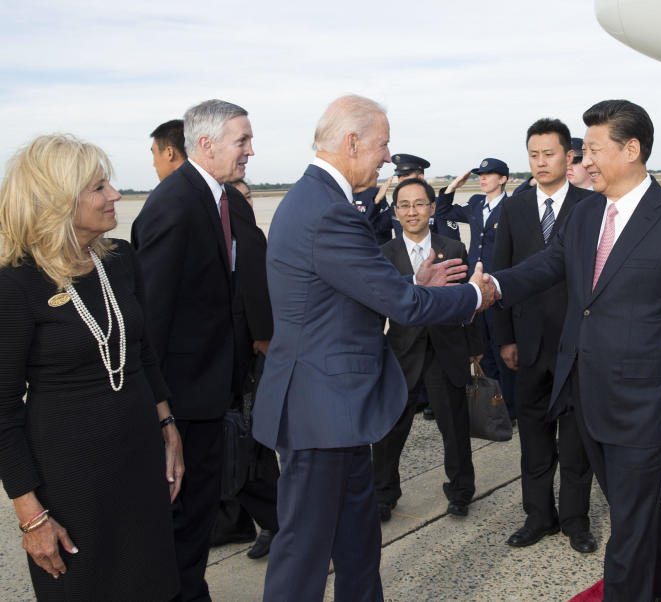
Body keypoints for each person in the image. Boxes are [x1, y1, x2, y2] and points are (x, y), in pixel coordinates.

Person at [251, 94, 498, 602]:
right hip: (320, 407)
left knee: (358, 542)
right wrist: (473, 294)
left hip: (338, 407)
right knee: (304, 553)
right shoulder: (327, 210)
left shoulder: (318, 201)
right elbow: (399, 303)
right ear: (352, 142)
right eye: (383, 144)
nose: (388, 157)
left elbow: (356, 292)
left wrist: (420, 284)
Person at [492, 100, 661, 601]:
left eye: (594, 149)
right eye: (583, 149)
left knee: (629, 524)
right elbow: (547, 266)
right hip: (586, 391)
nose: (585, 159)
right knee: (629, 503)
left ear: (632, 149)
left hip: (647, 400)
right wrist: (491, 287)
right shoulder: (585, 213)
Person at [0, 134, 183, 600]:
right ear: (59, 201)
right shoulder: (16, 281)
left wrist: (167, 424)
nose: (115, 196)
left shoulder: (120, 260)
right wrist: (32, 516)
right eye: (99, 187)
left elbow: (141, 353)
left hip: (141, 461)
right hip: (69, 479)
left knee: (155, 586)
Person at [132, 99, 258, 602]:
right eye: (242, 140)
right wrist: (162, 416)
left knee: (197, 526)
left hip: (208, 397)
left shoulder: (212, 197)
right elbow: (152, 321)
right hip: (182, 405)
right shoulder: (176, 204)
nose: (251, 150)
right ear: (205, 144)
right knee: (182, 528)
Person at [492, 118, 596, 553]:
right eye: (533, 155)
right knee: (534, 439)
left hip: (576, 345)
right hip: (529, 346)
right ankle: (538, 516)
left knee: (575, 442)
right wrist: (504, 340)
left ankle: (575, 520)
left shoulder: (590, 206)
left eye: (549, 154)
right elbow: (498, 275)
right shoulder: (513, 209)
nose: (540, 162)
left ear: (569, 155)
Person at [374, 178, 483, 522]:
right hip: (401, 353)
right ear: (395, 212)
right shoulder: (383, 256)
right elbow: (376, 307)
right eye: (404, 205)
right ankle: (383, 494)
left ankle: (461, 490)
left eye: (420, 204)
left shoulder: (453, 248)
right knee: (390, 430)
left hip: (446, 349)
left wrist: (475, 349)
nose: (412, 211)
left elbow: (470, 300)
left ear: (433, 208)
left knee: (454, 426)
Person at [210, 176, 279, 560]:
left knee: (254, 444)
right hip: (226, 360)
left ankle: (275, 521)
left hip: (256, 359)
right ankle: (237, 520)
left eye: (247, 196)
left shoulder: (254, 241)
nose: (242, 203)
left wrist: (263, 334)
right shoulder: (217, 239)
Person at [436, 157, 516, 420]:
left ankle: (511, 408)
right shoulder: (475, 204)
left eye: (489, 175)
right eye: (480, 175)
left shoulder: (512, 207)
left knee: (502, 345)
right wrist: (452, 187)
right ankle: (494, 405)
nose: (482, 179)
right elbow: (443, 212)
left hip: (498, 285)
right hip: (475, 287)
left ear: (502, 179)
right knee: (483, 349)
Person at [388, 153, 460, 241]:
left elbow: (451, 245)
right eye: (399, 176)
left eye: (406, 175)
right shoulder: (395, 205)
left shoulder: (439, 206)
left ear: (421, 178)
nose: (401, 180)